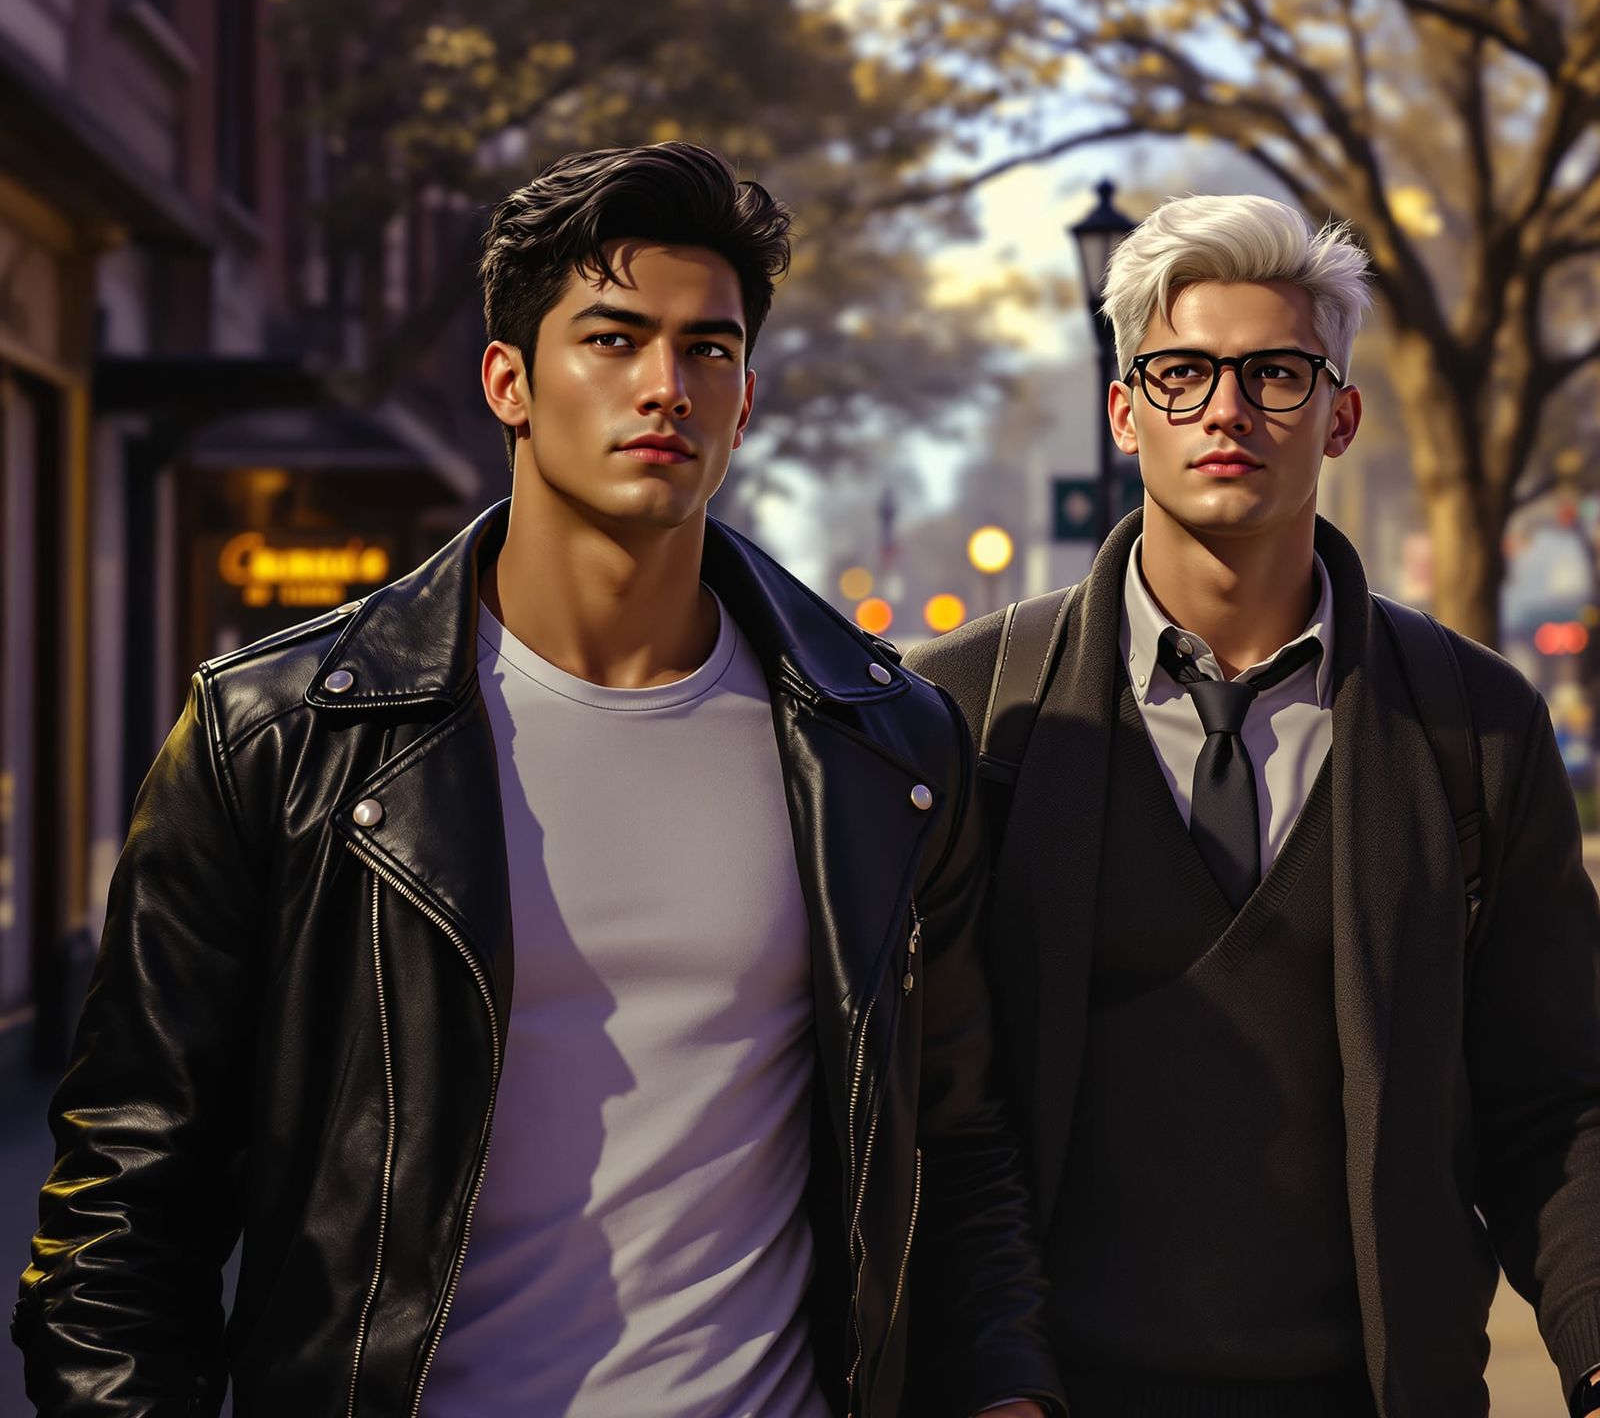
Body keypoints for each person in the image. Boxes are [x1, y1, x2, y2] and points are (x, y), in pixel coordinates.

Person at [15, 142, 1062, 1418]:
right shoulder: (278, 738)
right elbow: (125, 1208)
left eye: (708, 349)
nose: (665, 386)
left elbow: (955, 1146)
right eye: (613, 339)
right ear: (508, 381)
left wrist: (1007, 1391)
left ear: (746, 400)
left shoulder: (881, 747)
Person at [908, 193, 1600, 1418]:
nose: (1225, 410)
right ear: (1123, 411)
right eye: (1180, 374)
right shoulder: (968, 715)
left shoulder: (1474, 727)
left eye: (1276, 373)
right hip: (1049, 1397)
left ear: (1340, 416)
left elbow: (1553, 1097)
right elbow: (922, 1111)